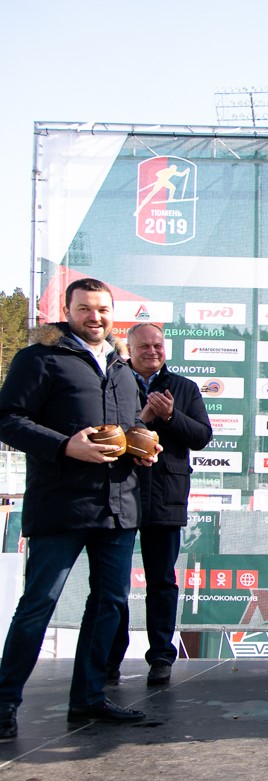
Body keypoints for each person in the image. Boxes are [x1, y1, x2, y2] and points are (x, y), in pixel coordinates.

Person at [0, 278, 160, 737]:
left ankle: (88, 698)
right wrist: (65, 445)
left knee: (110, 604)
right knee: (39, 603)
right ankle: (5, 702)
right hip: (61, 506)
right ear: (67, 311)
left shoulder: (122, 368)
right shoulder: (40, 358)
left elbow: (125, 427)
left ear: (113, 314)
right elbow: (8, 419)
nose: (95, 317)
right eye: (85, 308)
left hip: (118, 507)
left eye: (103, 309)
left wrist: (141, 445)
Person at [107, 322, 213, 686]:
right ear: (130, 349)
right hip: (118, 492)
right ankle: (110, 659)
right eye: (144, 346)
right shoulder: (113, 383)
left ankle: (162, 657)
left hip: (166, 495)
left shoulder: (183, 387)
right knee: (113, 583)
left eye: (158, 345)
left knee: (162, 581)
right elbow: (105, 431)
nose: (152, 351)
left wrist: (170, 416)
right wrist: (144, 419)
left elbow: (202, 436)